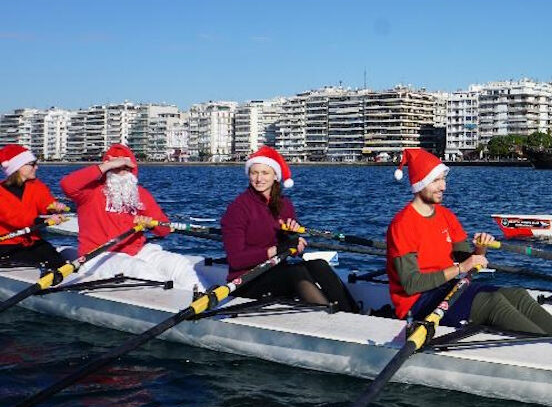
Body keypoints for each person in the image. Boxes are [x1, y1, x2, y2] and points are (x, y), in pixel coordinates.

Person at [386, 148, 552, 344]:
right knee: (492, 303)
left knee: (517, 294)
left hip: (447, 289)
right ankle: (550, 348)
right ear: (420, 183)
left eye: (444, 179)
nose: (443, 186)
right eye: (436, 181)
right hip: (417, 303)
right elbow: (411, 285)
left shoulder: (446, 216)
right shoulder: (403, 224)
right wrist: (461, 268)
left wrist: (480, 249)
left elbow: (466, 259)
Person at [222, 146, 354, 312]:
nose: (259, 178)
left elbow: (294, 249)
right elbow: (236, 260)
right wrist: (275, 250)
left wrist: (294, 241)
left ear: (275, 177)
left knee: (319, 265)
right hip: (246, 280)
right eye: (254, 173)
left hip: (275, 270)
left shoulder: (285, 205)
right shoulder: (238, 209)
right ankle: (327, 318)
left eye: (265, 173)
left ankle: (351, 313)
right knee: (296, 272)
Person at [59, 144, 198, 285]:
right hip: (98, 256)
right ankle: (167, 300)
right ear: (108, 168)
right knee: (140, 269)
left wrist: (150, 224)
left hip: (138, 252)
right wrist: (106, 165)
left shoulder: (141, 194)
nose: (122, 172)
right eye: (116, 167)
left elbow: (164, 230)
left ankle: (202, 298)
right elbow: (67, 185)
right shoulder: (90, 192)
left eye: (126, 167)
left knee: (179, 264)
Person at [0, 145, 70, 268]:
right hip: (7, 243)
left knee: (58, 262)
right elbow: (13, 217)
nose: (36, 167)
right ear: (19, 168)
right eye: (32, 164)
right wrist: (40, 220)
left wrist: (53, 208)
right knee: (38, 263)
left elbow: (45, 203)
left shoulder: (37, 186)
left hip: (33, 240)